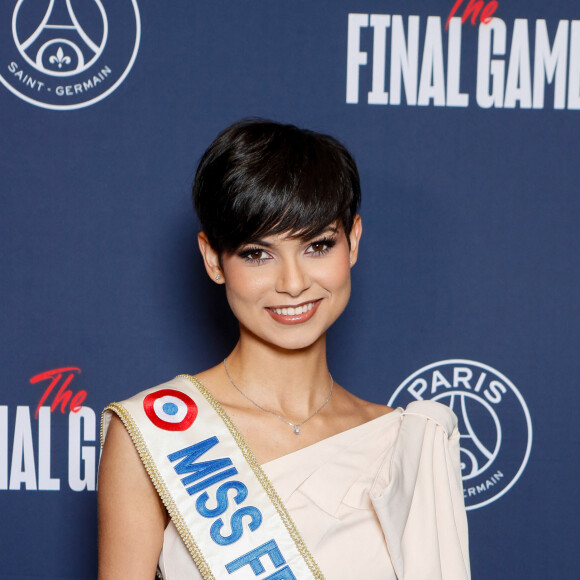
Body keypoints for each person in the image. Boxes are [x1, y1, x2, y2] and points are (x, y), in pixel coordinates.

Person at [98, 119, 470, 579]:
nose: (293, 284)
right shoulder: (155, 433)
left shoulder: (404, 442)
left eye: (317, 245)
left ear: (352, 241)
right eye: (257, 253)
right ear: (213, 259)